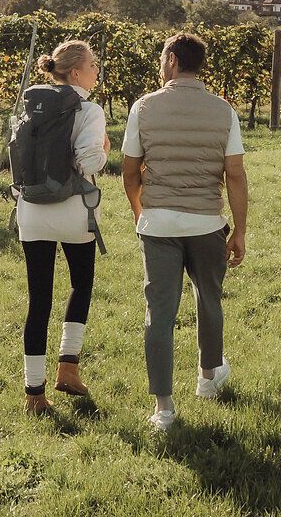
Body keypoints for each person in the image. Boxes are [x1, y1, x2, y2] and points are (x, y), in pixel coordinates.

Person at [122, 30, 248, 431]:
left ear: (173, 60)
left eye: (163, 59)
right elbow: (235, 174)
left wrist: (141, 212)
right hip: (207, 222)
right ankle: (208, 377)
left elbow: (130, 171)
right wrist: (240, 230)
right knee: (209, 298)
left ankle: (164, 409)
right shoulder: (224, 111)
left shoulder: (143, 107)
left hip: (158, 222)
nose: (161, 66)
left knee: (159, 311)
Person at [15, 39, 110, 414]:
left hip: (32, 211)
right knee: (80, 283)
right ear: (75, 72)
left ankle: (34, 395)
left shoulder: (31, 104)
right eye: (93, 65)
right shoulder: (89, 110)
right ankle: (68, 367)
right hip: (73, 212)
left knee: (39, 300)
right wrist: (104, 149)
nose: (96, 70)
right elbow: (88, 162)